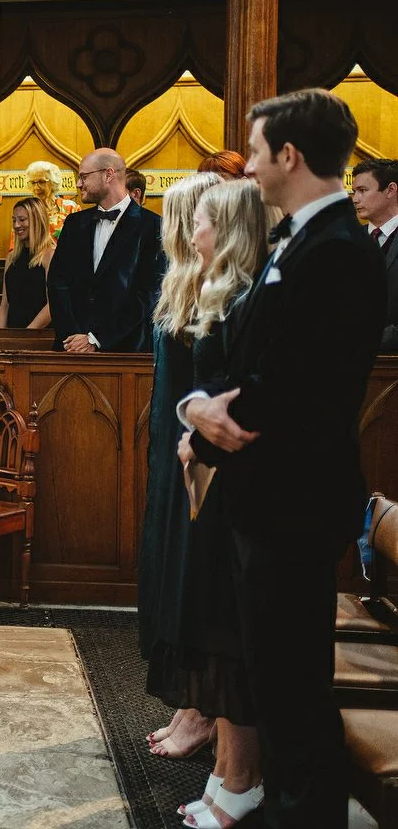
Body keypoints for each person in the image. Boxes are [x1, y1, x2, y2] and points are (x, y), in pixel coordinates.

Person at [178, 89, 385, 827]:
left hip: (294, 498)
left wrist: (205, 423)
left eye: (259, 151)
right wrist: (198, 407)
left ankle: (305, 815)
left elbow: (294, 384)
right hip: (269, 493)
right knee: (275, 679)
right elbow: (248, 358)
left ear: (289, 155)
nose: (250, 167)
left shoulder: (336, 251)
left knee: (292, 688)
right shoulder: (301, 240)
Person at [165, 178, 273, 828]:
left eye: (202, 221)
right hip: (211, 470)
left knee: (231, 634)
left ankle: (241, 777)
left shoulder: (247, 299)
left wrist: (198, 431)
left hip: (237, 477)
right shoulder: (218, 291)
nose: (193, 231)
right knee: (216, 628)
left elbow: (239, 395)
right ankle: (227, 771)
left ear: (227, 230)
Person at [138, 173, 222, 766]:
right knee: (170, 570)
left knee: (195, 579)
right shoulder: (181, 280)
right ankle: (189, 702)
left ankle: (204, 710)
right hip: (173, 442)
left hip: (200, 452)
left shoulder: (216, 287)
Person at [46, 148, 164, 353]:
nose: (79, 184)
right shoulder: (75, 223)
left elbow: (149, 293)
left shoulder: (153, 225)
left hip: (124, 350)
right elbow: (57, 282)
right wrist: (73, 337)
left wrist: (96, 339)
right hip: (70, 348)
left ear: (108, 174)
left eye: (84, 177)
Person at [350, 158, 398, 352]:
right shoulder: (348, 240)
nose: (355, 199)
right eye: (354, 192)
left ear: (391, 190)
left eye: (362, 190)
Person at [0, 197, 55, 330]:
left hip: (40, 335)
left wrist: (27, 333)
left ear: (37, 221)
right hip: (12, 334)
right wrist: (2, 334)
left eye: (22, 220)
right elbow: (5, 304)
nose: (16, 225)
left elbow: (52, 304)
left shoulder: (49, 255)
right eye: (14, 220)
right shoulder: (11, 257)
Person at [25, 160, 80, 239]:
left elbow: (81, 239)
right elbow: (17, 244)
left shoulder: (71, 208)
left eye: (41, 182)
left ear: (53, 182)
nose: (36, 187)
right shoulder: (26, 211)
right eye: (33, 183)